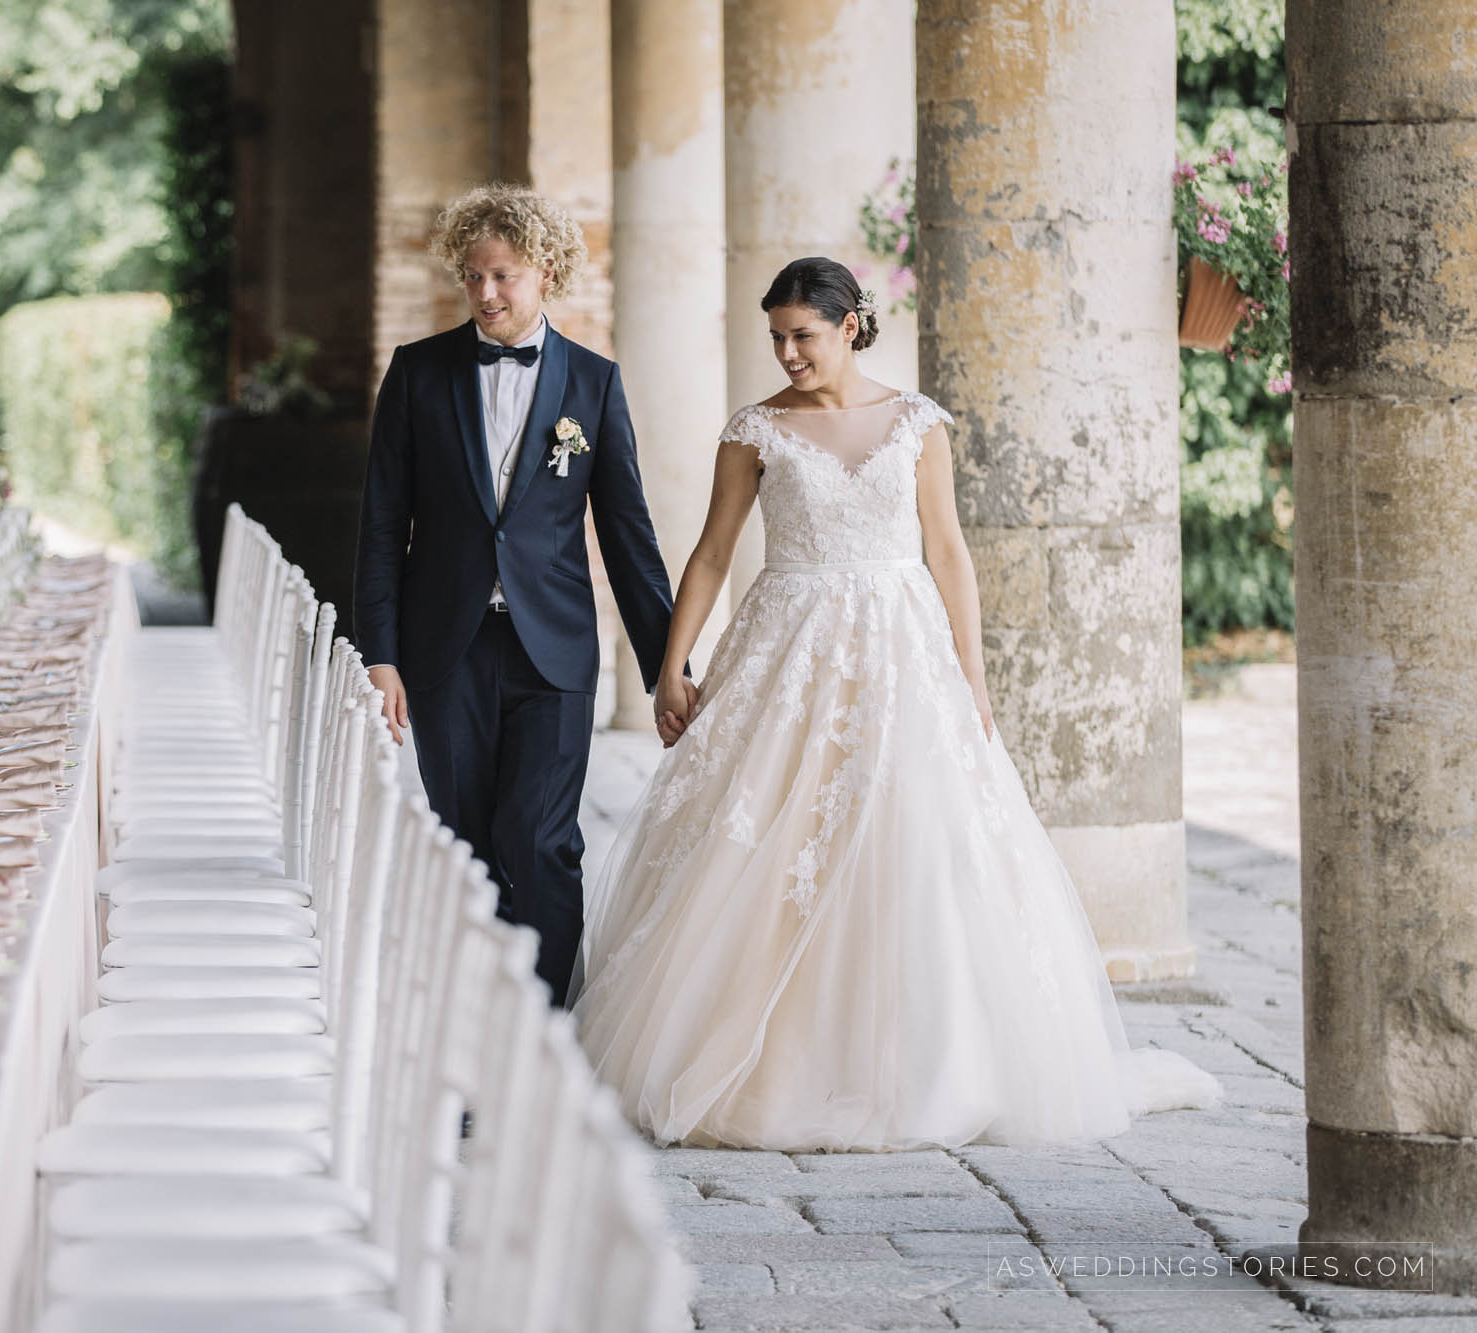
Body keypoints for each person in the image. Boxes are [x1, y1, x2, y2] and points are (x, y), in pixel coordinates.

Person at [572, 257, 1221, 1151]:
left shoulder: (917, 422)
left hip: (898, 645)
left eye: (802, 334)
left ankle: (930, 1064)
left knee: (913, 840)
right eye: (776, 337)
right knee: (773, 836)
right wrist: (673, 665)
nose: (787, 352)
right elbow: (715, 552)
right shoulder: (755, 430)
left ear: (849, 325)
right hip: (786, 647)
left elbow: (948, 551)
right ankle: (771, 1059)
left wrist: (972, 674)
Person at [352, 183, 678, 1002]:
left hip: (556, 652)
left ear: (545, 271)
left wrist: (663, 667)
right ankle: (475, 1034)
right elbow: (383, 525)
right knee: (466, 847)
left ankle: (540, 1031)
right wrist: (381, 654)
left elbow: (629, 537)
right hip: (444, 652)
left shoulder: (594, 385)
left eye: (503, 276)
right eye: (472, 276)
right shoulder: (418, 374)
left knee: (540, 841)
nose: (486, 293)